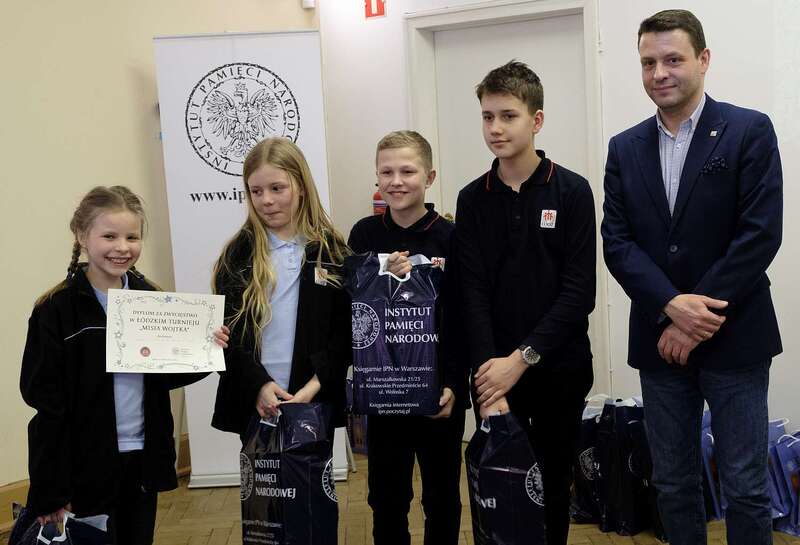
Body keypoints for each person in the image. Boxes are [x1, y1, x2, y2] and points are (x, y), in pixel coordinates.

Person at [601, 9, 783, 545]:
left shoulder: (748, 129)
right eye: (648, 62)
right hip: (660, 343)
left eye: (673, 59)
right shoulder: (624, 147)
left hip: (735, 336)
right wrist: (671, 307)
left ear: (703, 60)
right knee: (673, 483)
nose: (659, 73)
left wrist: (692, 316)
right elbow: (618, 242)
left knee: (746, 486)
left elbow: (759, 234)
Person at [20, 186, 228, 545]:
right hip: (83, 464)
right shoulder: (55, 310)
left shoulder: (153, 300)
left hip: (142, 458)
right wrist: (50, 487)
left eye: (132, 237)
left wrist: (207, 348)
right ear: (81, 236)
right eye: (109, 236)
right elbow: (45, 402)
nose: (122, 247)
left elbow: (166, 374)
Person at [455, 61, 596, 545]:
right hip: (492, 376)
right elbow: (471, 293)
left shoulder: (572, 190)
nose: (495, 128)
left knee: (552, 487)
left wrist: (521, 360)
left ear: (536, 120)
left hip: (559, 370)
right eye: (487, 116)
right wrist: (489, 380)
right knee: (501, 490)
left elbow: (579, 293)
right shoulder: (472, 199)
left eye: (508, 116)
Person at [348, 130, 468, 545]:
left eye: (408, 171)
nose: (396, 181)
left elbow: (462, 318)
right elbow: (355, 308)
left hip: (438, 392)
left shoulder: (451, 236)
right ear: (376, 177)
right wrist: (381, 274)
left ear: (430, 177)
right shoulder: (364, 234)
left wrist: (454, 383)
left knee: (442, 497)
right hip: (385, 392)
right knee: (386, 497)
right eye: (386, 172)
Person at [210, 137, 350, 439]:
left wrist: (315, 385)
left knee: (311, 469)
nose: (266, 200)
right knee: (262, 470)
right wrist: (259, 385)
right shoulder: (238, 255)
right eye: (256, 191)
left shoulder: (331, 252)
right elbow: (225, 336)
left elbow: (344, 333)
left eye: (277, 188)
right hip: (255, 397)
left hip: (313, 396)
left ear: (300, 186)